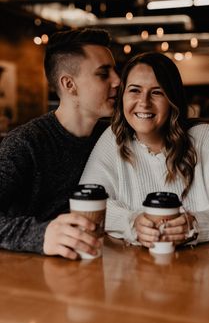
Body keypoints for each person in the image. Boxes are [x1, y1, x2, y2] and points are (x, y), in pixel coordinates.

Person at [80, 51, 209, 249]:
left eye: (157, 92)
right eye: (135, 90)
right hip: (136, 270)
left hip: (204, 269)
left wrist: (195, 224)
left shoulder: (207, 138)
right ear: (122, 96)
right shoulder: (114, 138)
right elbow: (89, 205)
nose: (144, 102)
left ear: (172, 99)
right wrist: (132, 223)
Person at [0, 28, 120, 259]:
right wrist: (41, 234)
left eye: (115, 71)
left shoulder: (111, 137)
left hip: (99, 266)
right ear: (69, 84)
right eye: (103, 74)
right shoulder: (25, 143)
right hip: (31, 275)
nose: (117, 80)